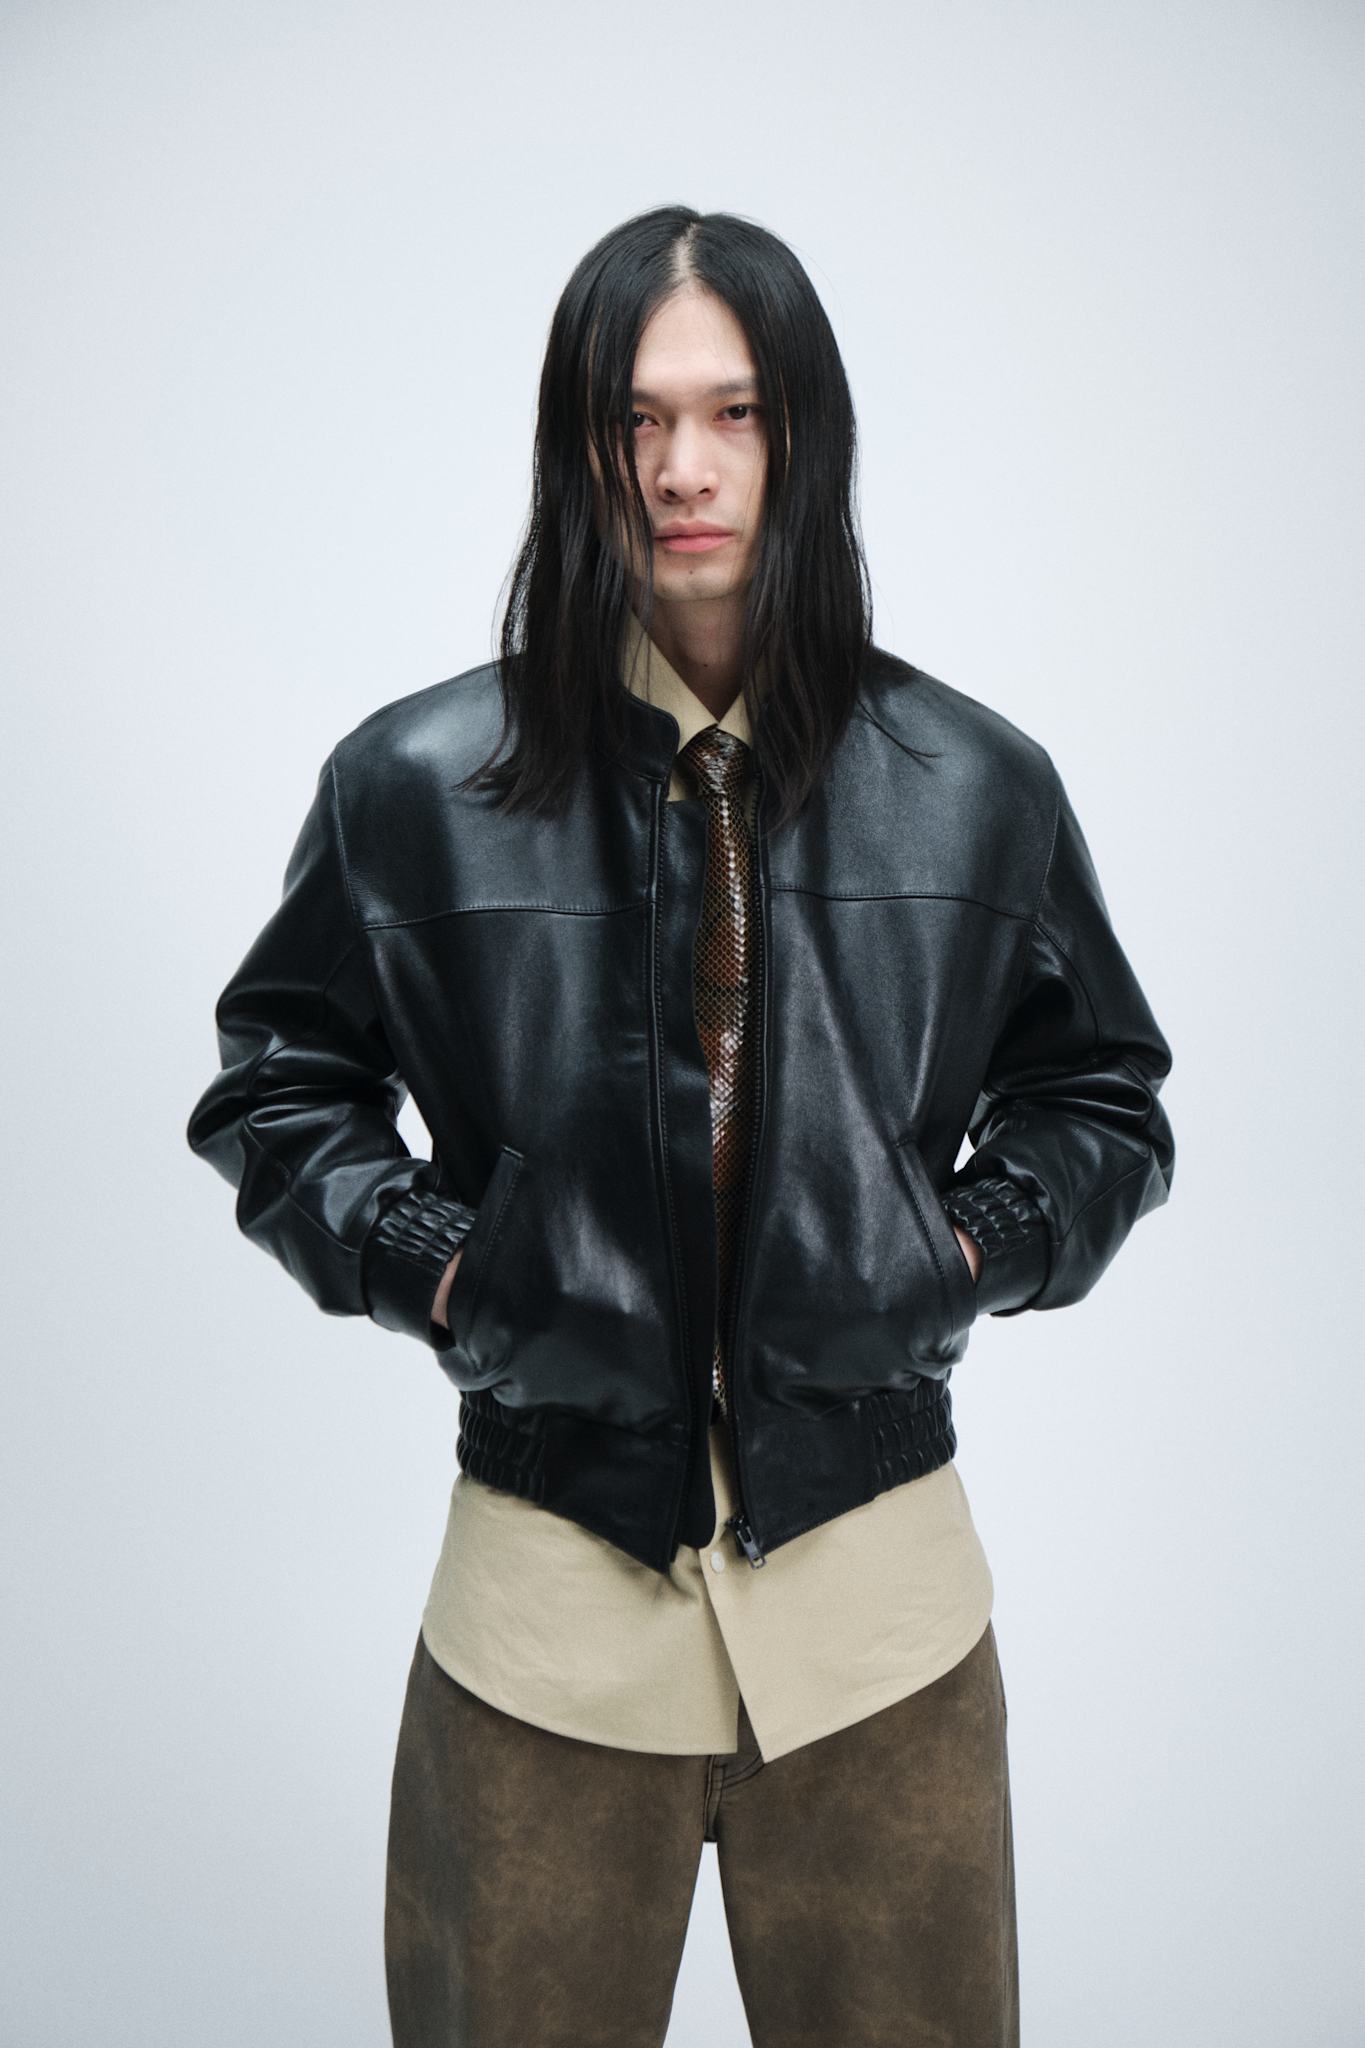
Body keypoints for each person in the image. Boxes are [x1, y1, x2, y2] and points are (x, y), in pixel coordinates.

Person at [186, 205, 1175, 2047]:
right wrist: (447, 1265)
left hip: (882, 1636)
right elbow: (279, 1082)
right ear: (577, 449)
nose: (682, 469)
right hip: (541, 1628)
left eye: (732, 413)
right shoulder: (412, 785)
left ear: (804, 435)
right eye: (633, 419)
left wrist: (960, 1249)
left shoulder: (976, 785)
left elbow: (1098, 1092)